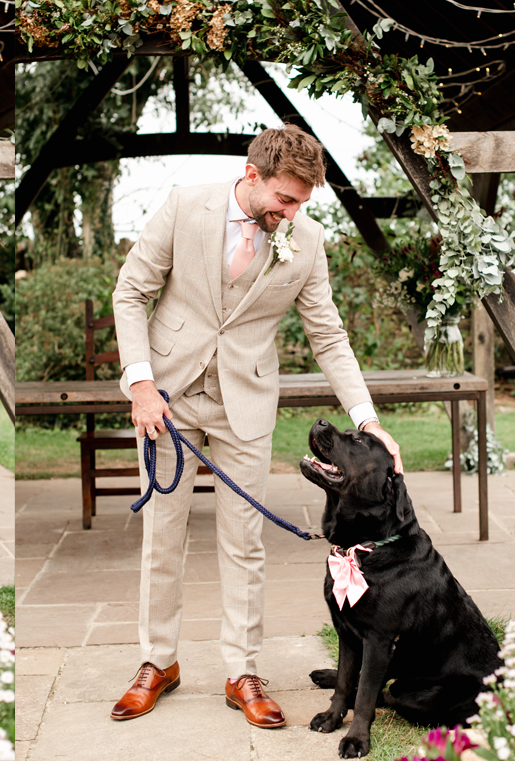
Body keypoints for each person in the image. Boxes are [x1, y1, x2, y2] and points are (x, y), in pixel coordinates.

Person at [109, 124, 402, 727]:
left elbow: (328, 334)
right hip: (166, 399)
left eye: (301, 204)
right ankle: (157, 662)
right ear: (252, 175)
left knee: (244, 544)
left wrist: (367, 420)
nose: (292, 214)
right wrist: (139, 384)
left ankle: (242, 669)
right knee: (162, 538)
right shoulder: (184, 206)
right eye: (285, 200)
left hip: (245, 406)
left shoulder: (307, 239)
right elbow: (131, 292)